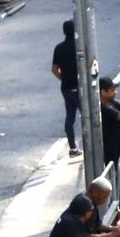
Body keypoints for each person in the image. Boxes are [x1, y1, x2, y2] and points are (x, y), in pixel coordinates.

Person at [53, 20, 81, 157]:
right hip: (79, 87)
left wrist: (63, 78)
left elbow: (54, 69)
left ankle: (73, 147)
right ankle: (93, 144)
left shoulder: (59, 48)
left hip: (66, 87)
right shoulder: (80, 47)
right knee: (88, 117)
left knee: (70, 118)